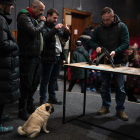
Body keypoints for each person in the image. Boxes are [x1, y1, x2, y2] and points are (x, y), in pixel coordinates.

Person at [89, 7, 129, 121]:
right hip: (104, 61)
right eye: (103, 20)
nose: (105, 22)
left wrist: (115, 51)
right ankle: (105, 106)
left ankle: (120, 109)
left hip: (119, 61)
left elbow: (126, 43)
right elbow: (91, 41)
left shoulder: (122, 26)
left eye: (107, 19)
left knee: (120, 87)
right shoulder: (99, 28)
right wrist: (96, 47)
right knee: (104, 85)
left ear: (112, 16)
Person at [17, 0, 46, 120]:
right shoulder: (24, 17)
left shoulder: (33, 19)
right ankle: (21, 109)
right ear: (33, 7)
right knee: (26, 83)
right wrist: (42, 22)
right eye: (40, 10)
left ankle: (30, 104)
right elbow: (34, 32)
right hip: (27, 57)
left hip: (36, 56)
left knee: (34, 82)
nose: (42, 13)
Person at [40, 8, 69, 105]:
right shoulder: (43, 25)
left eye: (57, 18)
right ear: (48, 15)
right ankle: (42, 99)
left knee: (54, 79)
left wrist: (66, 32)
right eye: (54, 17)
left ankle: (52, 97)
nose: (56, 20)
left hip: (58, 56)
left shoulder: (54, 26)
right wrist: (55, 29)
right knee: (45, 79)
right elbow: (45, 38)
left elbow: (64, 39)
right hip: (48, 56)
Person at [0, 0, 20, 132]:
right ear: (2, 4)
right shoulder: (1, 19)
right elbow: (3, 44)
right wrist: (16, 44)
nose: (13, 7)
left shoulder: (2, 18)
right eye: (10, 4)